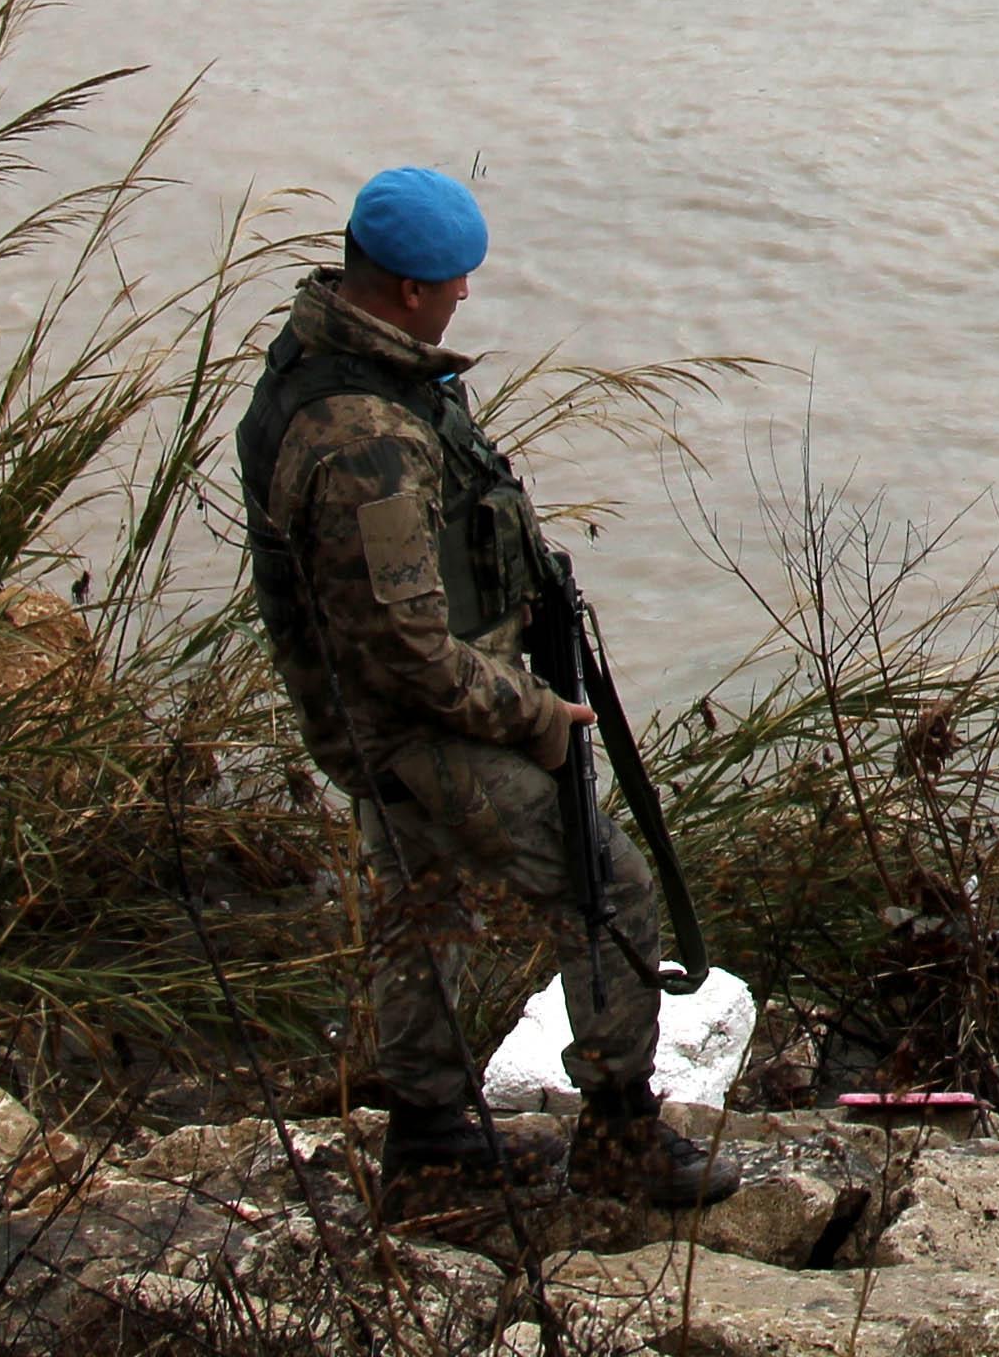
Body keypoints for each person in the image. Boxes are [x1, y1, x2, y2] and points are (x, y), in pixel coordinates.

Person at [236, 168, 743, 1221]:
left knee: (422, 913)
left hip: (382, 724)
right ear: (413, 289)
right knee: (608, 892)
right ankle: (618, 1135)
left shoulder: (344, 372)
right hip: (422, 727)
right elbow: (409, 650)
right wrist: (536, 718)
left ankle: (428, 1149)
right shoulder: (362, 437)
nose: (464, 297)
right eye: (455, 282)